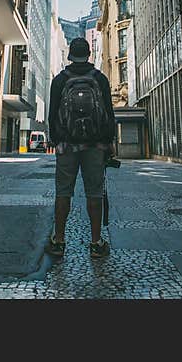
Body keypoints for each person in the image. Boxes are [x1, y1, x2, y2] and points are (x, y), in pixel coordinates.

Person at [45, 37, 117, 259]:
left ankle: (58, 241)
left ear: (69, 55)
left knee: (63, 192)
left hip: (67, 145)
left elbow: (52, 114)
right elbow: (108, 113)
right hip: (95, 145)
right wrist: (109, 142)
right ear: (88, 55)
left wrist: (57, 139)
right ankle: (96, 243)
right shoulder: (100, 79)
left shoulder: (59, 80)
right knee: (94, 193)